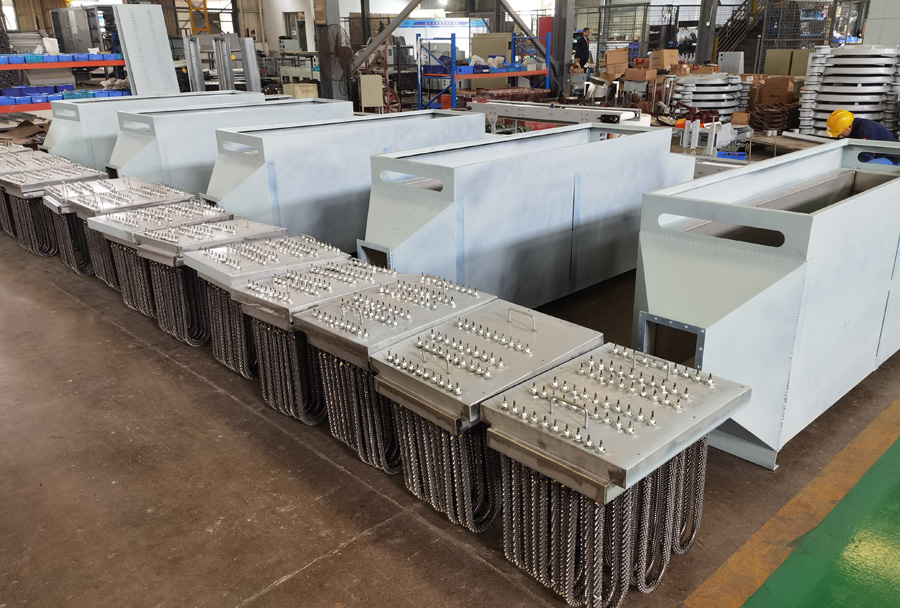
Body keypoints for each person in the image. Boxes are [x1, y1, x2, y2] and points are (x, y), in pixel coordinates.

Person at [825, 109, 899, 164]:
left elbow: (866, 156)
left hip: (891, 158)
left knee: (865, 166)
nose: (840, 136)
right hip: (875, 155)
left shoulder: (866, 130)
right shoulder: (851, 125)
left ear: (849, 127)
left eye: (840, 133)